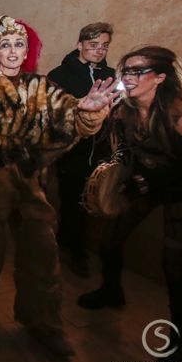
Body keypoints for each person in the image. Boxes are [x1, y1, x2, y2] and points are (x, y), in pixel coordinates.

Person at [0, 15, 119, 356]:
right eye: (5, 44)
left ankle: (43, 322)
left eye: (19, 44)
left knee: (42, 249)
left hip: (30, 178)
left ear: (27, 50)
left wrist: (89, 111)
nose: (13, 50)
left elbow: (73, 119)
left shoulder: (41, 87)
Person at [78, 46, 182, 362]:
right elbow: (123, 151)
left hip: (180, 191)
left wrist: (139, 182)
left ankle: (181, 342)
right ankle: (111, 291)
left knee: (174, 266)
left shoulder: (180, 115)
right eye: (127, 71)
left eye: (138, 71)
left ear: (160, 78)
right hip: (141, 184)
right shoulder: (124, 110)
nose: (128, 77)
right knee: (108, 240)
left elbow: (180, 170)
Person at [48, 22, 115, 277]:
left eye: (104, 46)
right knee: (72, 199)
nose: (99, 51)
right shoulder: (60, 74)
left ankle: (69, 242)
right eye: (93, 46)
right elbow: (54, 113)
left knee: (92, 202)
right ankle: (77, 253)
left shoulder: (109, 74)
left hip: (101, 150)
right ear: (80, 45)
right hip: (71, 149)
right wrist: (82, 108)